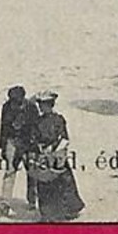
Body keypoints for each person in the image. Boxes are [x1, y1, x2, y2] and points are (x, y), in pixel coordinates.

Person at [26, 91, 85, 222]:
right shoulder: (37, 122)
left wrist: (54, 149)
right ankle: (47, 214)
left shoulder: (59, 119)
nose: (42, 107)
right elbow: (33, 138)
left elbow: (64, 137)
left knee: (63, 182)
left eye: (44, 105)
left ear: (50, 105)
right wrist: (39, 148)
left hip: (58, 156)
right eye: (40, 105)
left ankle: (68, 211)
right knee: (44, 184)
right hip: (44, 157)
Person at [0, 85, 38, 208]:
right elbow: (3, 127)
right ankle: (5, 201)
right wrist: (3, 147)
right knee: (10, 171)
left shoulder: (31, 108)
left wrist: (34, 147)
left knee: (31, 172)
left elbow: (36, 129)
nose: (13, 104)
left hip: (27, 143)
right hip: (12, 141)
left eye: (16, 101)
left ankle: (32, 201)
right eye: (11, 101)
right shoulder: (6, 107)